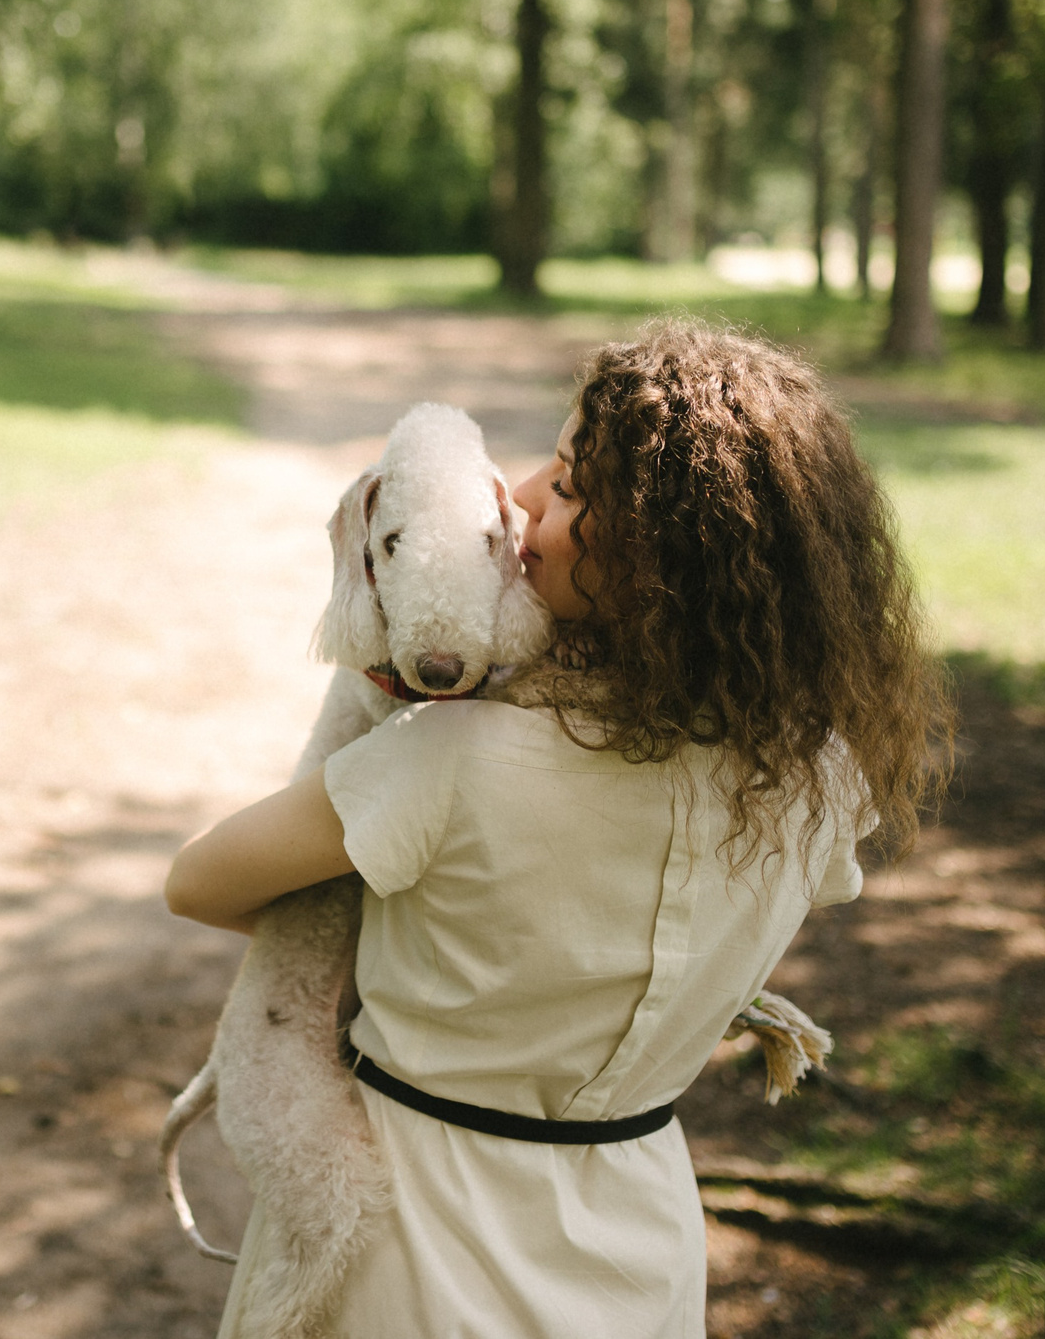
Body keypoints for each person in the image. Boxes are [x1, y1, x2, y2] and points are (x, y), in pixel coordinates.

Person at [165, 320, 950, 1338]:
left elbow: (200, 880)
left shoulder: (449, 759)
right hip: (636, 1247)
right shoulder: (819, 778)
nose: (523, 497)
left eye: (572, 485)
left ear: (663, 555)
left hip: (413, 1248)